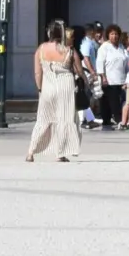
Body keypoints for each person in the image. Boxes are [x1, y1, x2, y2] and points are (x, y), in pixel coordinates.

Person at [25, 20, 82, 164]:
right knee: (64, 119)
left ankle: (31, 152)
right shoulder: (68, 50)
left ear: (49, 33)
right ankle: (60, 153)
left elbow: (38, 73)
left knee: (43, 119)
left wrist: (40, 88)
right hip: (65, 87)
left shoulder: (41, 49)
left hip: (48, 87)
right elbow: (79, 70)